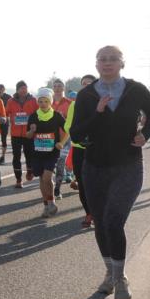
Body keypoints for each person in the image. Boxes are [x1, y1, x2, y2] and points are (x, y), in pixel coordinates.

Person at [70, 46, 150, 299]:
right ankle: (110, 273)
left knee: (113, 220)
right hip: (95, 166)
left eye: (113, 59)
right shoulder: (86, 95)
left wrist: (145, 134)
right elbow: (76, 133)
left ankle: (120, 278)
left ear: (122, 63)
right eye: (102, 59)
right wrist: (97, 113)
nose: (107, 63)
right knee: (100, 221)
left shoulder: (136, 89)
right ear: (96, 64)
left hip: (128, 165)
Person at [26, 88, 68, 217]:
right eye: (40, 101)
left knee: (47, 177)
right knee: (41, 179)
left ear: (50, 102)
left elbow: (68, 130)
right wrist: (32, 131)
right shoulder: (33, 116)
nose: (43, 104)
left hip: (52, 152)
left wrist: (61, 143)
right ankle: (46, 205)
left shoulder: (56, 116)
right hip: (37, 153)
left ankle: (52, 201)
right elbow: (28, 136)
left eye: (45, 101)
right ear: (37, 102)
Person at [65, 75, 96, 228]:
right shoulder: (74, 104)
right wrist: (79, 134)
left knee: (97, 182)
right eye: (84, 84)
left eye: (90, 83)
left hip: (97, 149)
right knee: (82, 183)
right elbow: (68, 126)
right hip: (79, 148)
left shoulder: (104, 101)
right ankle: (89, 213)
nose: (86, 85)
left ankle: (98, 212)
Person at [6, 81, 38, 188]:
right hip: (15, 134)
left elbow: (38, 113)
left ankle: (29, 171)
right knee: (16, 156)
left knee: (29, 155)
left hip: (29, 134)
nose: (24, 90)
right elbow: (6, 113)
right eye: (21, 88)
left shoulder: (33, 100)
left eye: (25, 88)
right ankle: (18, 179)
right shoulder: (11, 101)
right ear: (17, 90)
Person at [0, 83, 11, 164]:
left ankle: (3, 156)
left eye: (1, 90)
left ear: (4, 90)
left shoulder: (8, 97)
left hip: (5, 120)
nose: (0, 91)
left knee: (3, 139)